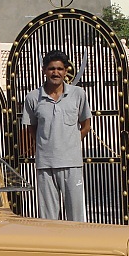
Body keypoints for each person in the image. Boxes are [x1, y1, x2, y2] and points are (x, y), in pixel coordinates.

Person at [22, 49, 92, 222]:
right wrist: (46, 144)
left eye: (60, 69)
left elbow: (86, 126)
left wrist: (72, 143)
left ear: (66, 71)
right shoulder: (33, 97)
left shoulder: (78, 94)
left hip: (72, 164)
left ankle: (77, 248)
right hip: (45, 165)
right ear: (44, 70)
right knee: (48, 218)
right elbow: (32, 128)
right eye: (51, 68)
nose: (56, 73)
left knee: (76, 217)